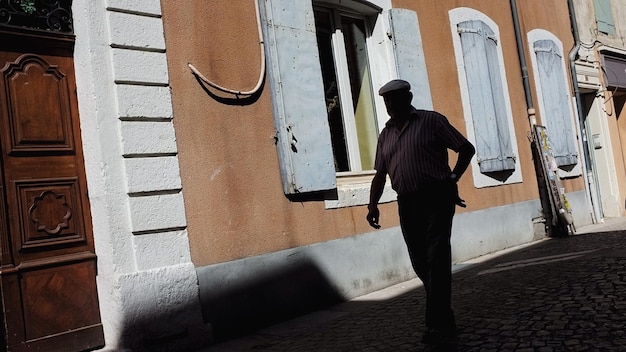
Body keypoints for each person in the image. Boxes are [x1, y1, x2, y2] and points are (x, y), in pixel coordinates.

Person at [366, 79, 475, 344]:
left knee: (436, 257)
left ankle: (435, 326)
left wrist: (452, 179)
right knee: (420, 261)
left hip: (436, 197)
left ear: (408, 97)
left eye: (394, 99)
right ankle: (444, 314)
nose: (390, 104)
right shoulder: (386, 134)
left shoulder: (431, 122)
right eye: (386, 101)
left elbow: (466, 149)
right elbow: (380, 174)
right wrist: (372, 205)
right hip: (407, 202)